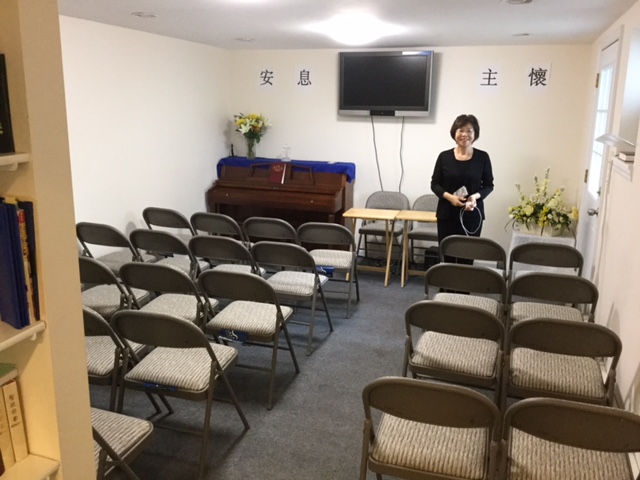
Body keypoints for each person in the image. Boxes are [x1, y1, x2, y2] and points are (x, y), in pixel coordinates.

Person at [430, 114, 494, 262]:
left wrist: (474, 197)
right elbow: (434, 184)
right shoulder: (444, 157)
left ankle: (465, 279)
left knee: (467, 257)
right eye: (461, 130)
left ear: (475, 134)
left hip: (472, 214)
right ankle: (447, 279)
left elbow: (489, 185)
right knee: (447, 256)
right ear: (454, 132)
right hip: (447, 214)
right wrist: (450, 198)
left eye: (469, 131)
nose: (464, 134)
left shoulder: (482, 157)